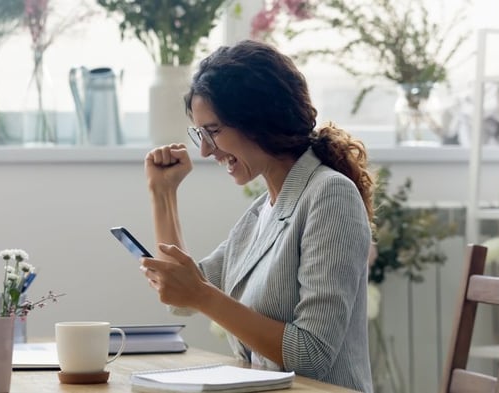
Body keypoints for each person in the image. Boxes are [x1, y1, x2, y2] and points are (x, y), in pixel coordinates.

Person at [142, 39, 374, 392]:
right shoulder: (263, 211)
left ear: (260, 119)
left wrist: (201, 295)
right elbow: (182, 296)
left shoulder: (331, 195)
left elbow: (311, 354)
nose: (205, 150)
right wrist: (163, 194)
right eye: (200, 133)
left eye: (214, 131)